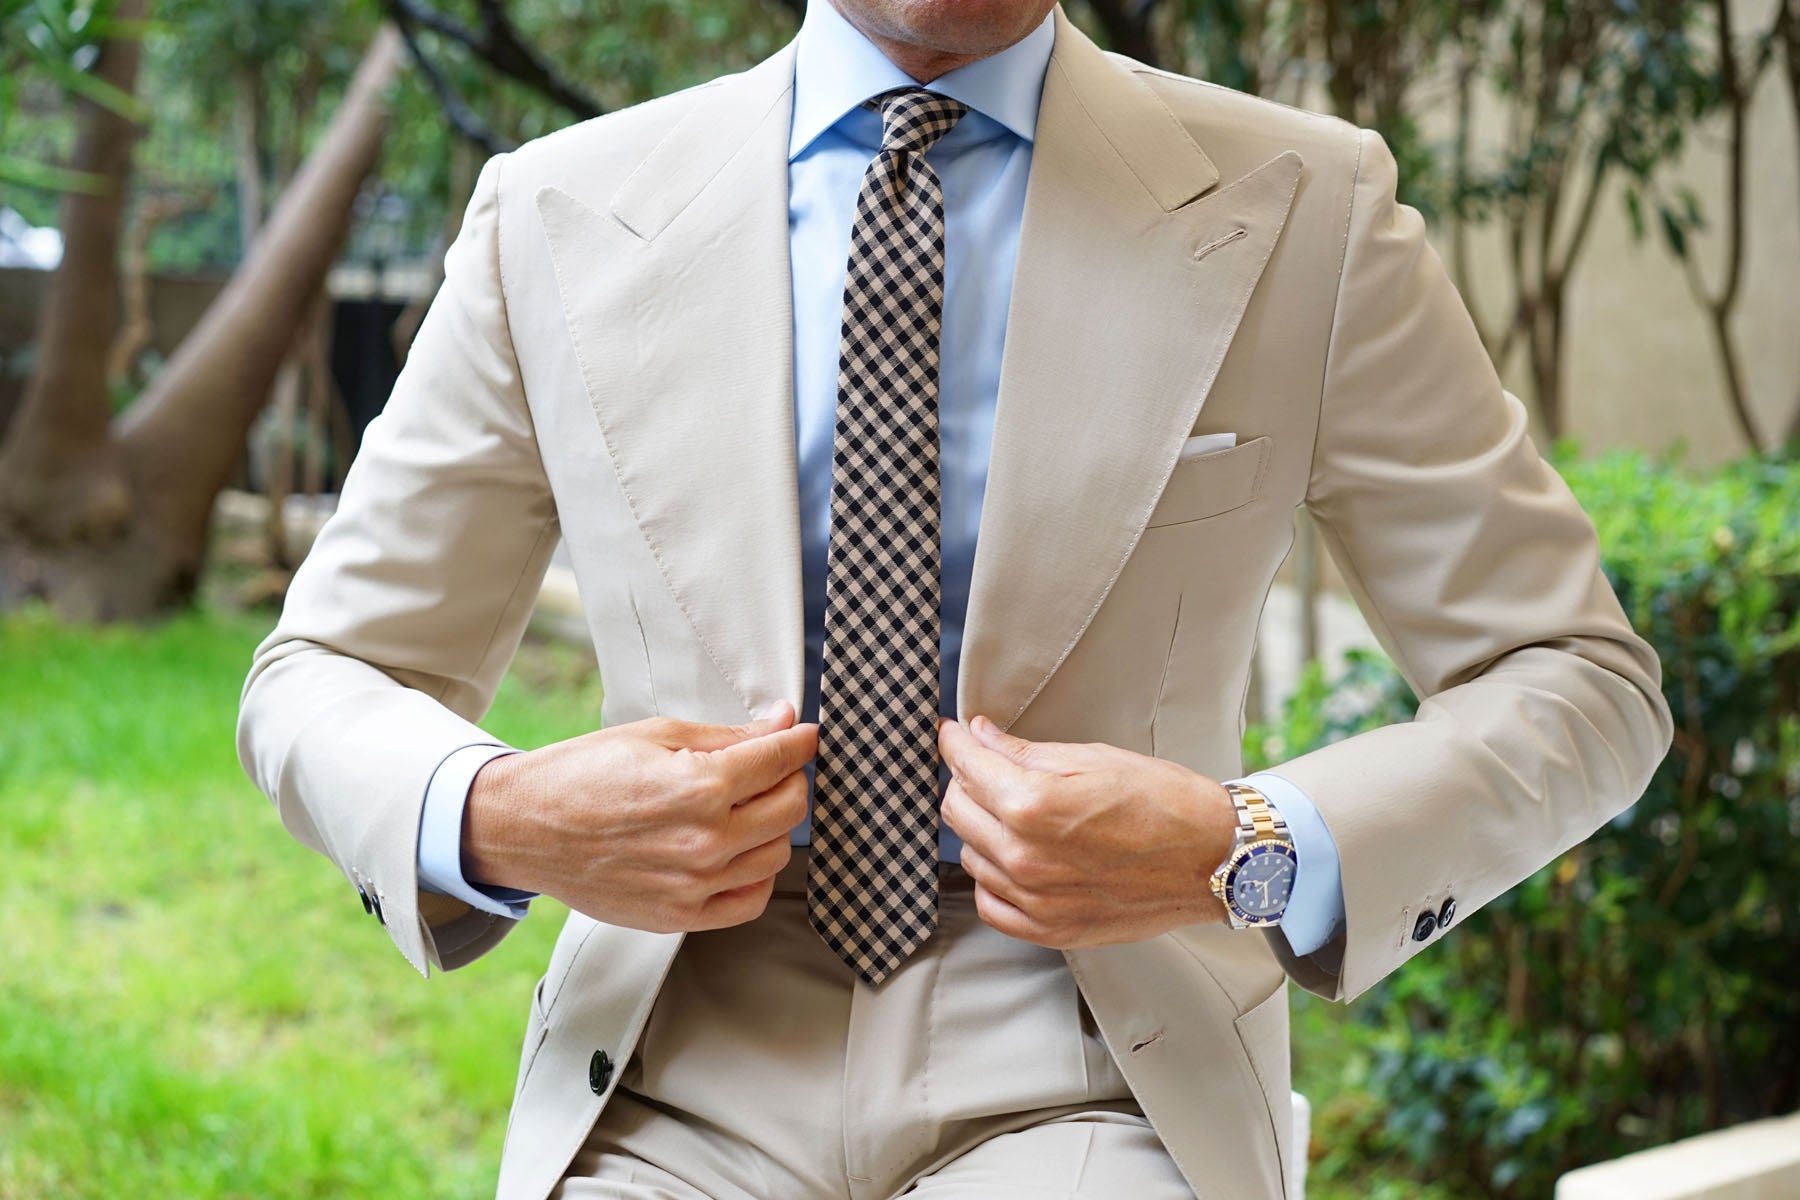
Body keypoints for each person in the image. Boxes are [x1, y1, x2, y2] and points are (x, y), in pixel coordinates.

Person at [236, 1, 1673, 1196]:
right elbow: (320, 672)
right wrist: (501, 818)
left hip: (1099, 1066)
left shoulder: (1311, 206)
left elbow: (1579, 680)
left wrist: (1247, 848)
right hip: (670, 1070)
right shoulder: (551, 211)